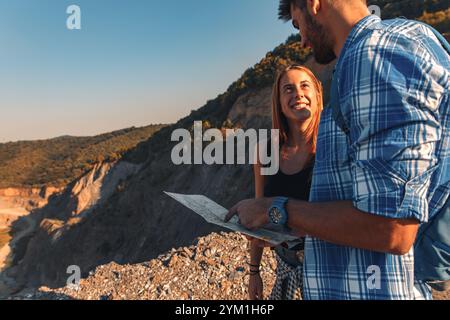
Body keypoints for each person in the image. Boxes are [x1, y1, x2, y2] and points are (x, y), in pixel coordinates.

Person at [226, 0, 449, 300]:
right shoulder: (416, 35)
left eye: (297, 25)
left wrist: (274, 210)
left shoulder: (370, 58)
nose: (302, 39)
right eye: (287, 90)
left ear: (314, 4)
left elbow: (391, 228)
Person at [248, 65, 323, 300]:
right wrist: (254, 271)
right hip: (285, 270)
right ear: (279, 103)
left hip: (328, 268)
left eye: (304, 86)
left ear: (317, 95)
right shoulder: (264, 152)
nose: (297, 94)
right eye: (288, 89)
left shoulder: (334, 147)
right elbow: (261, 211)